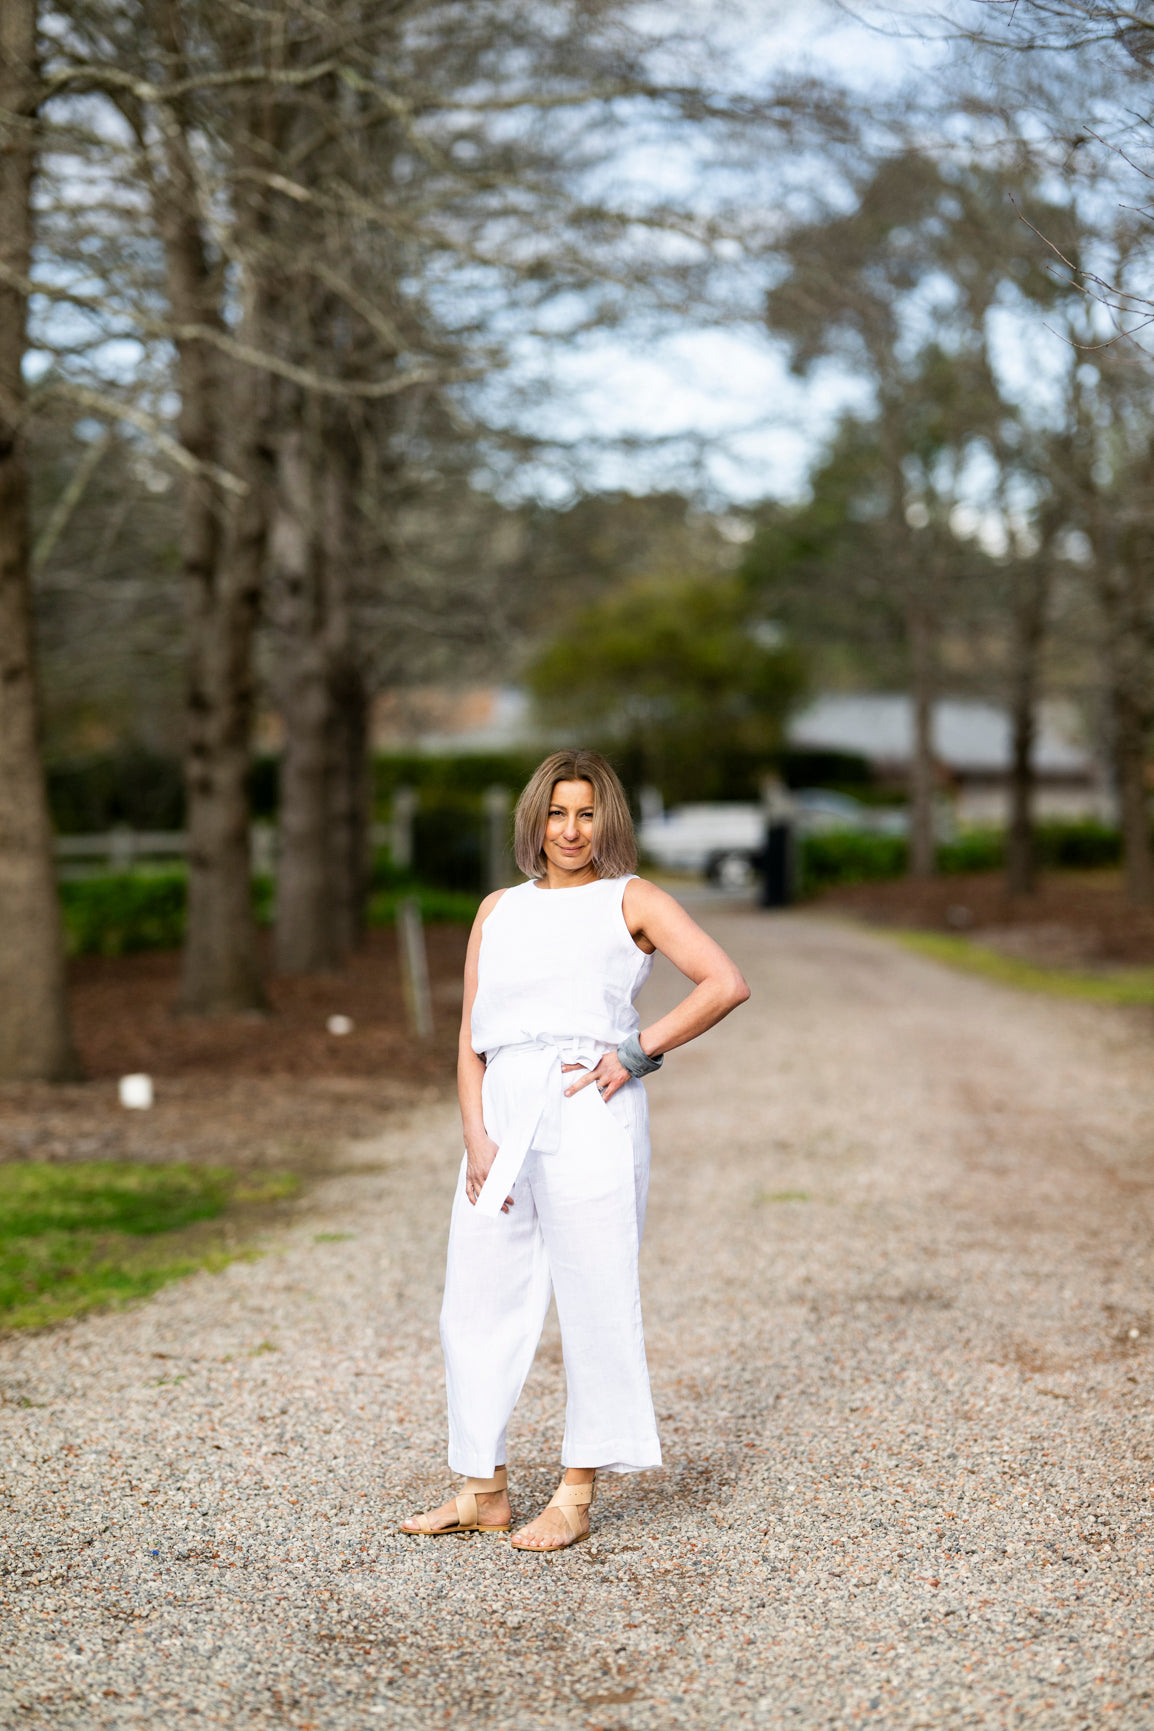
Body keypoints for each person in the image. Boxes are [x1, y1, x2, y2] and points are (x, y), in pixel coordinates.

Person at [401, 750, 750, 1551]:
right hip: (502, 1115)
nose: (570, 828)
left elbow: (723, 981)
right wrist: (474, 1132)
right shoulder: (498, 909)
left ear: (607, 820)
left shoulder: (632, 899)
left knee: (592, 1294)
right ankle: (483, 1489)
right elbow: (469, 1035)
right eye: (557, 813)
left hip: (590, 1108)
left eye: (586, 813)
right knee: (476, 1299)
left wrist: (636, 1051)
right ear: (535, 819)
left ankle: (575, 1492)